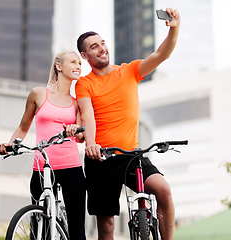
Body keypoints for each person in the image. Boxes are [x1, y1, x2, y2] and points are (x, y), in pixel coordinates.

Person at [75, 8, 181, 240]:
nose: (102, 48)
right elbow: (87, 115)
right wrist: (91, 143)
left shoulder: (129, 71)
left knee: (162, 189)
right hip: (100, 158)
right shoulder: (84, 84)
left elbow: (161, 54)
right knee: (106, 226)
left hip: (131, 155)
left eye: (102, 43)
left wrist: (174, 28)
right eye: (94, 46)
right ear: (84, 56)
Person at [0, 51, 87, 240]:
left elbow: (80, 137)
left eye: (79, 62)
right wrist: (10, 144)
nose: (78, 65)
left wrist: (75, 130)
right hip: (42, 167)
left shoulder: (77, 102)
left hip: (71, 167)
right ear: (59, 66)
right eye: (73, 62)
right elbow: (23, 128)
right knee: (39, 231)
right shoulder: (38, 94)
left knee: (77, 232)